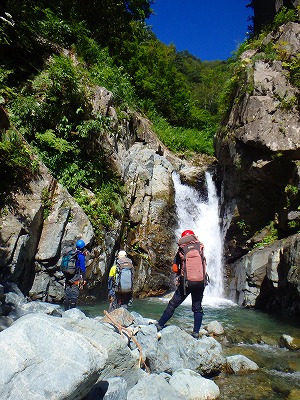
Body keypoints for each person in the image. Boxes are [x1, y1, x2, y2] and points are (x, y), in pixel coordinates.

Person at [156, 230, 207, 339]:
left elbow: (175, 268)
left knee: (173, 304)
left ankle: (160, 324)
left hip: (187, 283)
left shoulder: (181, 249)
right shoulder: (200, 246)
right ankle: (196, 333)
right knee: (197, 308)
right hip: (200, 282)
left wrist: (180, 273)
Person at [64, 239, 87, 310]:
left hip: (68, 276)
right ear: (83, 248)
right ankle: (72, 312)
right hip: (75, 277)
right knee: (74, 295)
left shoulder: (71, 254)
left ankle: (65, 311)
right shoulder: (81, 256)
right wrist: (84, 278)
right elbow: (82, 268)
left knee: (67, 295)